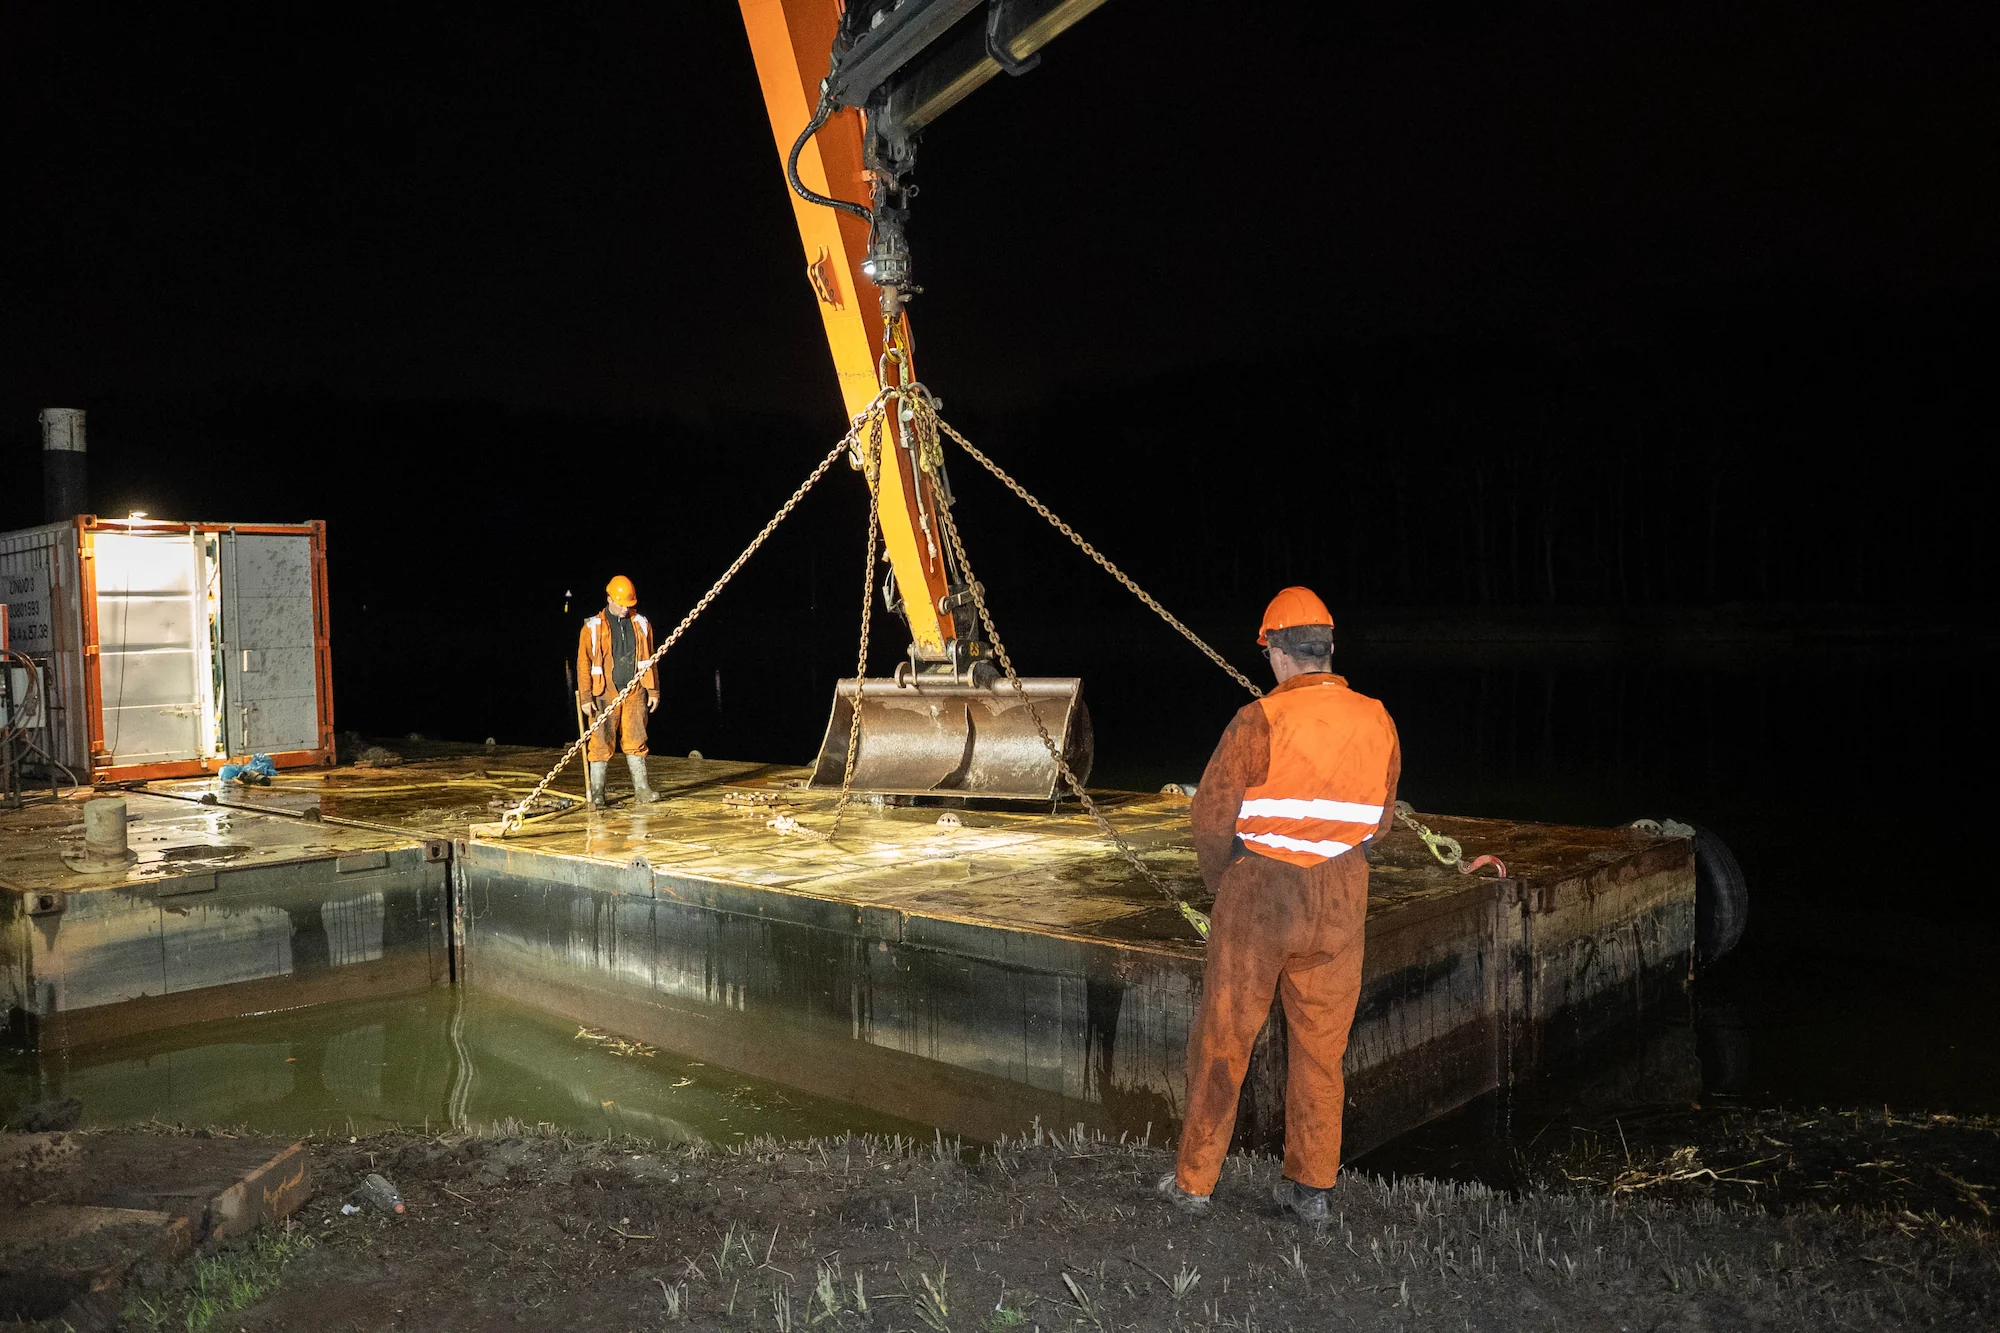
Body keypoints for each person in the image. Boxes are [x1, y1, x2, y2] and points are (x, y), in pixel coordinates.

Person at [1158, 586, 1400, 1221]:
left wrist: (1226, 886)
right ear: (1325, 651)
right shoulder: (1377, 718)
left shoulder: (1258, 720)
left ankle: (1194, 1184)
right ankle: (1312, 1189)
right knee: (1322, 1049)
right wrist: (1341, 860)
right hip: (1343, 898)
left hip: (1261, 897)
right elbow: (1380, 824)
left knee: (1222, 1042)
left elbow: (1210, 817)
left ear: (1275, 653)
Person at [577, 575, 660, 808]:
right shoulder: (592, 627)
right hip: (603, 692)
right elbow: (583, 663)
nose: (625, 608)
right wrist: (585, 697)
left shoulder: (642, 624)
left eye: (629, 604)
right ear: (609, 599)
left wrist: (653, 691)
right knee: (600, 742)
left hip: (635, 690)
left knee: (636, 738)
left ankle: (642, 790)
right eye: (621, 603)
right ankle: (598, 793)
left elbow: (650, 659)